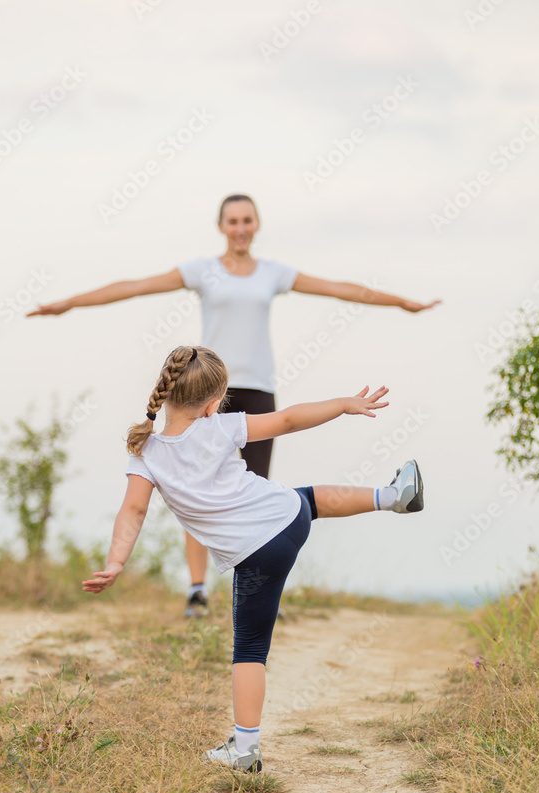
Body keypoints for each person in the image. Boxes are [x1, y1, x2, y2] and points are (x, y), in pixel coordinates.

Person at [30, 194, 439, 618]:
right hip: (204, 391)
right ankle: (197, 591)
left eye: (247, 220)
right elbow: (135, 287)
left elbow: (339, 289)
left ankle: (260, 585)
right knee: (193, 492)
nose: (240, 228)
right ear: (221, 226)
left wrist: (401, 302)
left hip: (256, 388)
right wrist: (69, 303)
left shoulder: (273, 273)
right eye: (233, 221)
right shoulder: (202, 270)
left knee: (256, 489)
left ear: (256, 224)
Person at [81, 345, 424, 774]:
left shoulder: (146, 452)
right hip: (287, 515)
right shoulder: (221, 427)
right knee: (311, 498)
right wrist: (342, 404)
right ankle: (393, 497)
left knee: (249, 649)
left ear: (165, 391)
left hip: (257, 551)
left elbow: (133, 511)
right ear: (213, 402)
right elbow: (288, 420)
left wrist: (116, 562)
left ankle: (245, 751)